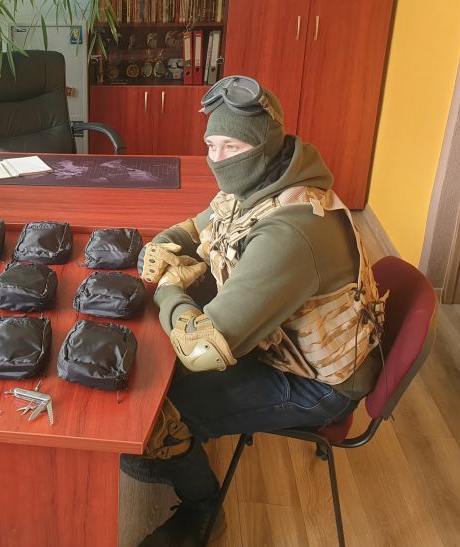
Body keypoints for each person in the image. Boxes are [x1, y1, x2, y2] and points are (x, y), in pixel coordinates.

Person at [124, 75, 385, 547]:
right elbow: (196, 228)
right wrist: (164, 245)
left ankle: (203, 510)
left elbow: (203, 351)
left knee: (154, 412)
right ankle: (184, 451)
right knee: (156, 362)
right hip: (280, 342)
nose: (219, 158)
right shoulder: (260, 183)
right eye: (212, 145)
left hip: (317, 383)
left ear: (265, 145)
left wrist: (168, 289)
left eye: (232, 146)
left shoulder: (292, 230)